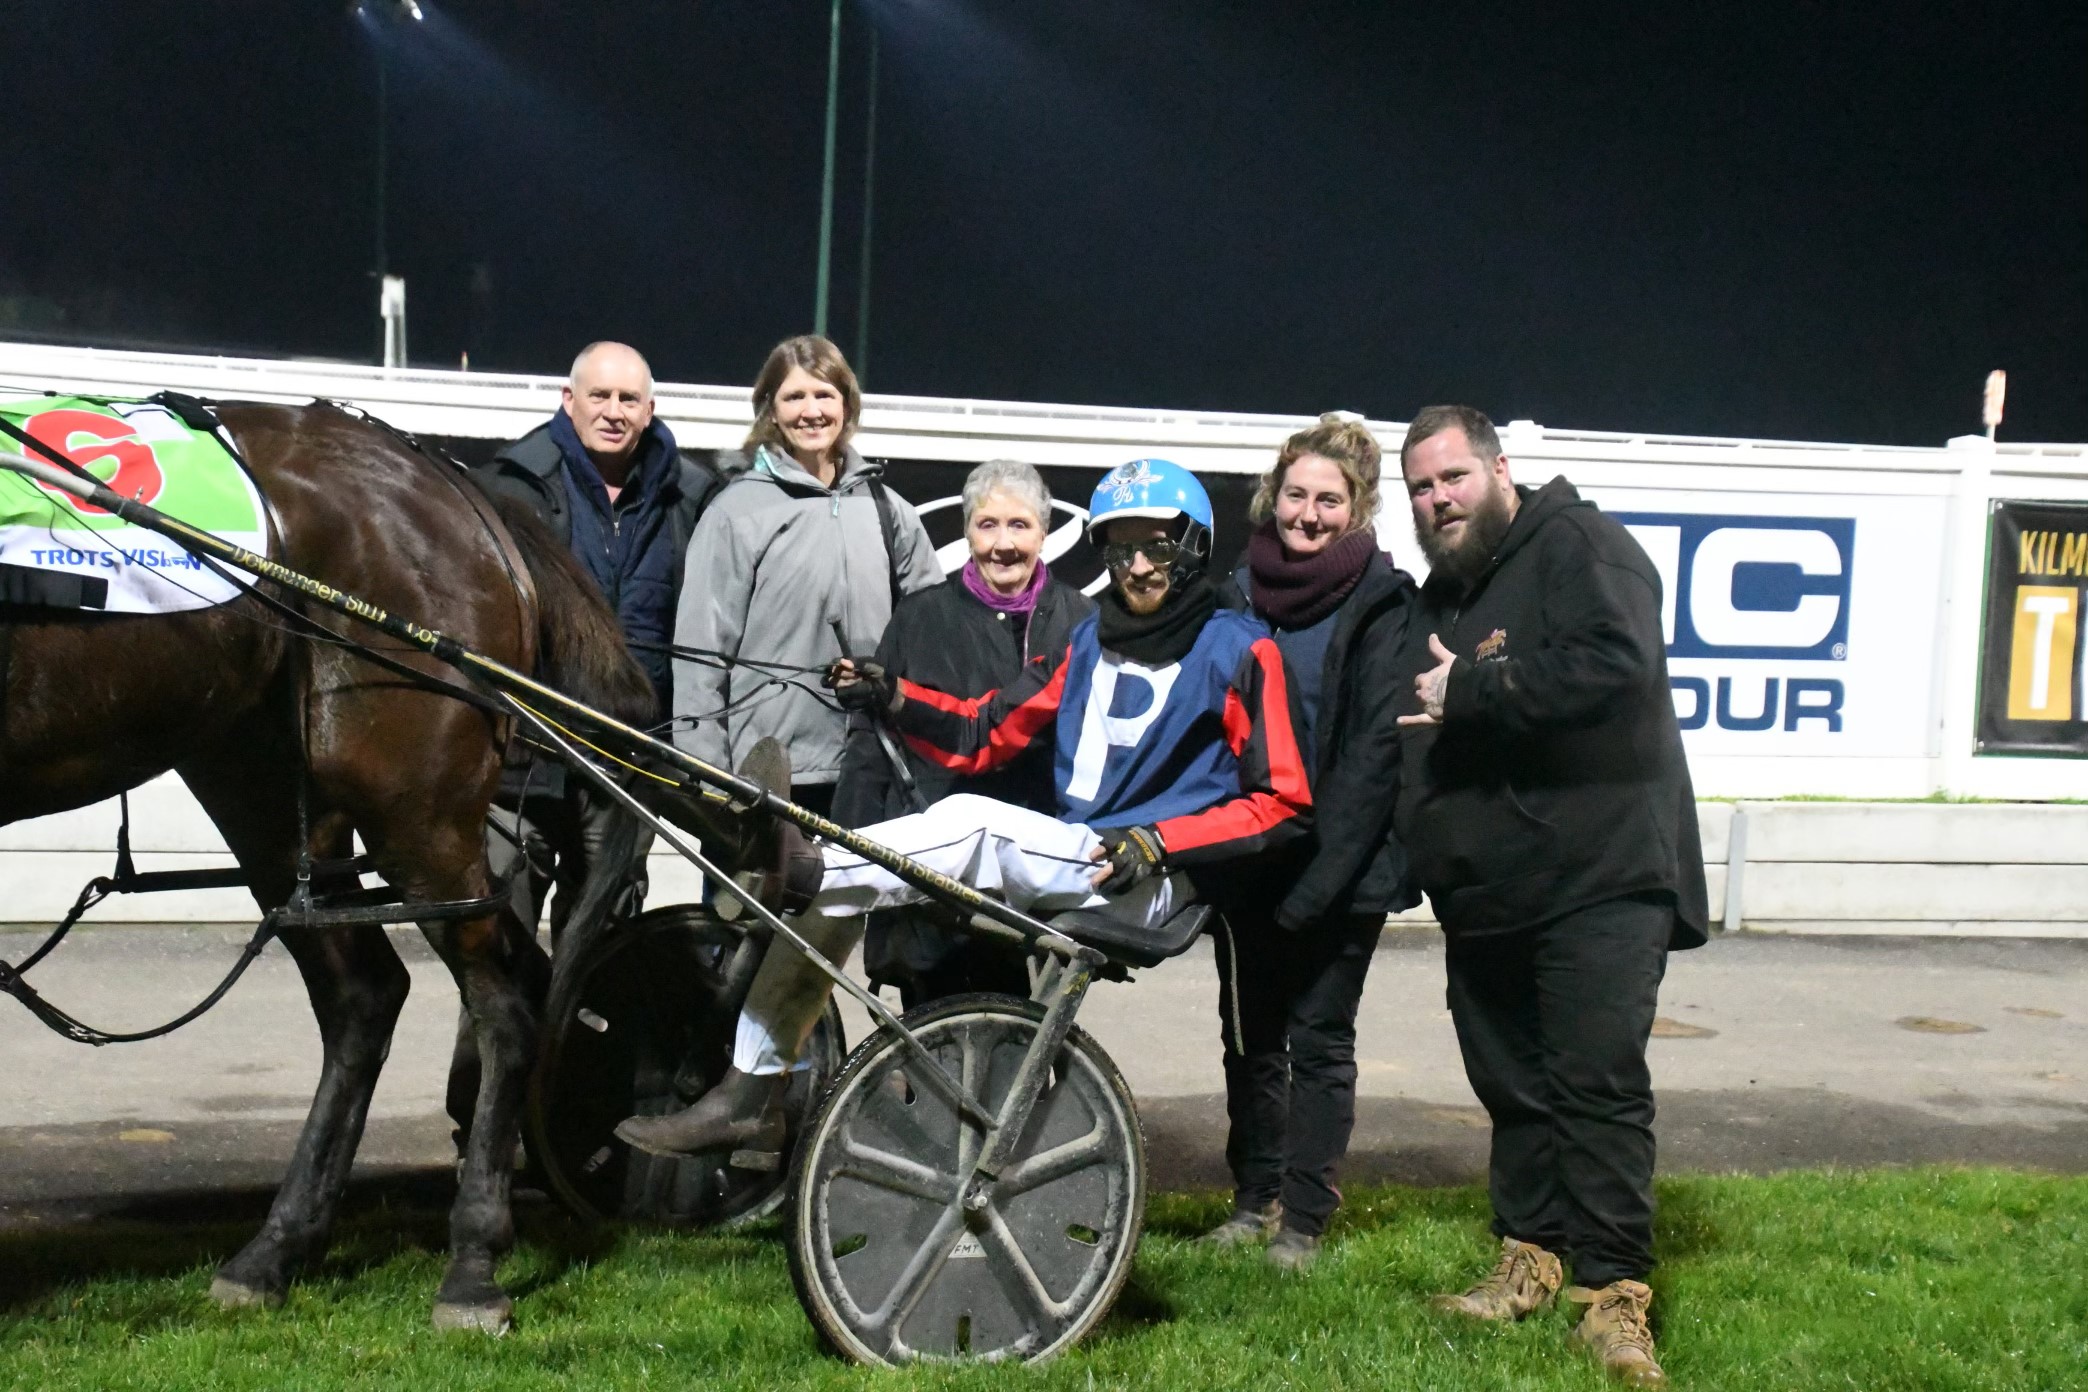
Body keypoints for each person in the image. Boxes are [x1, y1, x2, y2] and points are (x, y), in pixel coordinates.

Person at [616, 457, 1313, 1160]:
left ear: (1193, 544)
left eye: (1156, 546)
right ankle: (751, 1089)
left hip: (1153, 878)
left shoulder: (1242, 651)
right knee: (831, 901)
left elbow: (1284, 805)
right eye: (1121, 548)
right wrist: (894, 697)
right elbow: (986, 731)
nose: (1136, 567)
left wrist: (1159, 840)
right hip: (1085, 858)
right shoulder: (1089, 639)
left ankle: (794, 863)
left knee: (971, 823)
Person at [1394, 405, 1707, 1388]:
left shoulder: (1581, 544)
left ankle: (1615, 1300)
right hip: (1493, 888)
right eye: (1419, 489)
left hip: (1601, 874)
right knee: (1515, 1088)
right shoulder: (1449, 591)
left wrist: (1473, 690)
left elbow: (1618, 667)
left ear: (1498, 468)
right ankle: (1530, 1258)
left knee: (1595, 1084)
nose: (1436, 500)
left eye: (1451, 477)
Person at [1200, 414, 1420, 1272]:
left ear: (1358, 507)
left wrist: (1317, 886)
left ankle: (1303, 1221)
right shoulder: (1237, 592)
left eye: (1331, 500)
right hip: (1252, 859)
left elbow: (1374, 755)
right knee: (1251, 1036)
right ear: (1273, 494)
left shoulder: (1383, 602)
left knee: (1319, 1040)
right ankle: (1252, 1199)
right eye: (1296, 494)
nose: (1309, 514)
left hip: (1343, 866)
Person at [473, 340, 726, 939]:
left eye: (628, 399)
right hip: (526, 761)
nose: (614, 411)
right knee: (499, 956)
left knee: (600, 960)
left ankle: (584, 1036)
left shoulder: (694, 498)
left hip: (628, 762)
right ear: (569, 400)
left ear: (649, 409)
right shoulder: (508, 486)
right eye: (600, 395)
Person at [833, 459, 1095, 1008]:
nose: (1003, 544)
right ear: (967, 530)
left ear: (1044, 532)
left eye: (1019, 525)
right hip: (933, 864)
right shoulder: (920, 616)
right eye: (987, 524)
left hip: (1032, 864)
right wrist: (848, 845)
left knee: (1016, 1031)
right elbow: (870, 748)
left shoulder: (1081, 620)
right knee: (931, 1027)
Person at [672, 334, 941, 814]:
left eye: (824, 395)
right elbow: (700, 656)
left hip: (876, 771)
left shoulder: (889, 511)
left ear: (847, 406)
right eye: (794, 396)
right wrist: (709, 780)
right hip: (767, 779)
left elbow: (934, 644)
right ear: (770, 411)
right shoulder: (735, 512)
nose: (810, 411)